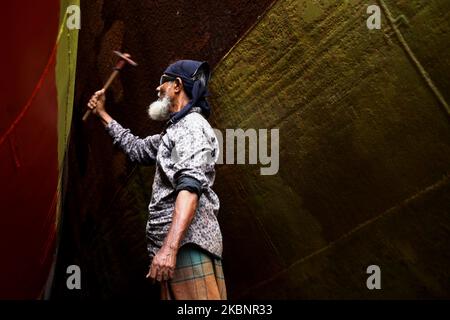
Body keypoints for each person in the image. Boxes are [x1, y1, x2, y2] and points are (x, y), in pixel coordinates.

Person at [87, 60, 226, 300]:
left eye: (162, 82)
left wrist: (169, 250)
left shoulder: (191, 126)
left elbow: (190, 188)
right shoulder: (174, 131)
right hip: (176, 250)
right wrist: (102, 113)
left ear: (177, 86)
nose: (157, 88)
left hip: (184, 248)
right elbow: (137, 149)